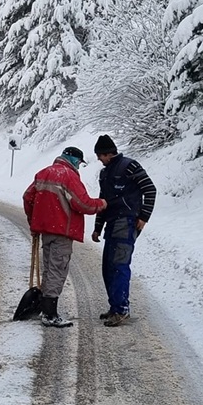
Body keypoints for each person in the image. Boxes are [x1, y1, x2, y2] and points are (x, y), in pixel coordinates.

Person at [23, 146, 107, 328]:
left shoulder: (43, 173)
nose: (79, 166)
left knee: (49, 268)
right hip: (62, 231)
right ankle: (50, 314)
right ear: (75, 160)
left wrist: (34, 223)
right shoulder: (68, 176)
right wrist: (101, 204)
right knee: (57, 269)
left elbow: (28, 197)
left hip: (46, 231)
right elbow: (82, 204)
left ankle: (46, 307)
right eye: (79, 162)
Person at [91, 134, 157, 327]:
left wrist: (144, 217)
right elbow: (104, 201)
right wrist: (97, 228)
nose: (98, 159)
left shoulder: (130, 166)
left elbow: (150, 190)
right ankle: (115, 307)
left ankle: (121, 310)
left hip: (126, 222)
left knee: (119, 266)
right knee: (108, 268)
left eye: (99, 155)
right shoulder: (104, 174)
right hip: (111, 224)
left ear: (108, 153)